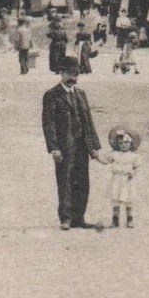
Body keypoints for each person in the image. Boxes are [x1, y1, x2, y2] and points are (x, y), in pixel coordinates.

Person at [41, 56, 105, 229]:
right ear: (61, 73)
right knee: (65, 181)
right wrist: (54, 148)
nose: (73, 78)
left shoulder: (81, 94)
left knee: (82, 181)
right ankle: (66, 218)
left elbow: (88, 122)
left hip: (81, 146)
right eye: (69, 73)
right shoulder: (51, 95)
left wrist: (93, 147)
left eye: (76, 74)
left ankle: (79, 218)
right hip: (64, 147)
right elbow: (49, 124)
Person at [103, 126, 142, 228]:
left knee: (128, 200)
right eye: (121, 143)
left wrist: (133, 173)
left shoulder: (133, 156)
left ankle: (129, 219)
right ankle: (115, 220)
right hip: (117, 179)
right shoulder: (114, 154)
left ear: (130, 143)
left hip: (127, 180)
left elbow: (137, 167)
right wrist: (96, 156)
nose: (123, 145)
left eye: (126, 143)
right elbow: (105, 160)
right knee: (115, 199)